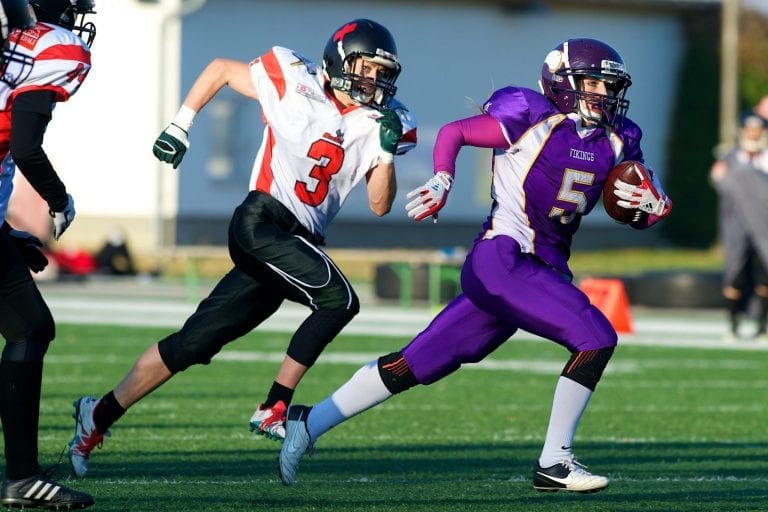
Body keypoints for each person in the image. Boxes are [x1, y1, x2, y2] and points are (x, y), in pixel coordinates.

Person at [278, 37, 673, 494]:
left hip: (541, 270)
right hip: (502, 258)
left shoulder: (620, 138)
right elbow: (455, 132)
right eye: (592, 83)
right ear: (563, 82)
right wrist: (443, 177)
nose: (602, 94)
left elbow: (637, 202)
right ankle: (555, 462)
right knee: (596, 336)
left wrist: (655, 206)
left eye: (609, 85)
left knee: (417, 363)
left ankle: (308, 422)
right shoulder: (530, 115)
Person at [67, 18, 416, 477]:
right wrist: (181, 125)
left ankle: (98, 414)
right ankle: (274, 406)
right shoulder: (295, 79)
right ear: (337, 61)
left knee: (191, 343)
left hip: (295, 244)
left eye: (380, 71)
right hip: (261, 222)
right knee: (340, 299)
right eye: (365, 67)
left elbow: (379, 205)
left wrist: (387, 154)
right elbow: (219, 70)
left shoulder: (381, 123)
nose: (373, 79)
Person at [0, 0, 96, 509]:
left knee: (30, 326)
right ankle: (19, 478)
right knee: (30, 328)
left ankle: (21, 477)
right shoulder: (53, 47)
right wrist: (59, 200)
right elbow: (24, 146)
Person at [709, 113, 768, 342]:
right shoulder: (730, 161)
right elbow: (719, 181)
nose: (753, 136)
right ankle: (732, 325)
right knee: (735, 278)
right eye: (749, 131)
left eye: (758, 131)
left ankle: (762, 326)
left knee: (764, 279)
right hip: (737, 228)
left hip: (763, 230)